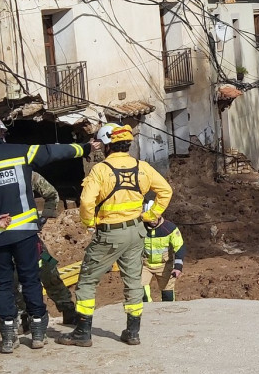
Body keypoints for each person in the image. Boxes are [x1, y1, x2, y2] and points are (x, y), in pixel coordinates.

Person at [0, 111, 97, 353]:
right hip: (26, 234)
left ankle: (8, 337)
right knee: (30, 279)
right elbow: (52, 152)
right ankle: (38, 334)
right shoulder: (19, 152)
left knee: (2, 285)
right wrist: (84, 148)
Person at [58, 124, 172, 348]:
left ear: (107, 146)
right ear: (127, 145)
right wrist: (151, 215)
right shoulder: (143, 167)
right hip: (136, 232)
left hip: (110, 234)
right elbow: (166, 191)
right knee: (132, 282)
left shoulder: (100, 170)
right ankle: (132, 332)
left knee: (88, 281)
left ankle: (82, 332)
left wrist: (89, 222)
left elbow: (87, 201)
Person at [13, 172, 76, 332]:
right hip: (5, 241)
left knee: (48, 269)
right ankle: (24, 316)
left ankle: (67, 308)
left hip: (31, 239)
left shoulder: (25, 173)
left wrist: (44, 217)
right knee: (14, 280)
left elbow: (51, 193)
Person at [142, 212, 186, 303]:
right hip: (145, 265)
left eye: (155, 217)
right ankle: (147, 313)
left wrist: (178, 267)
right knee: (141, 291)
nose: (153, 220)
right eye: (150, 218)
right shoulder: (139, 228)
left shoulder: (170, 228)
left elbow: (179, 246)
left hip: (164, 265)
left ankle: (169, 315)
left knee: (167, 295)